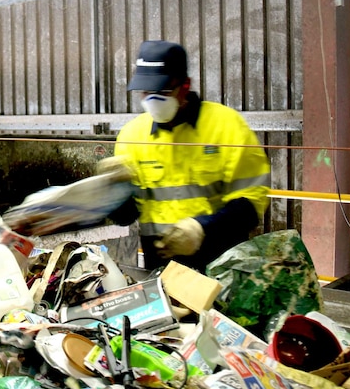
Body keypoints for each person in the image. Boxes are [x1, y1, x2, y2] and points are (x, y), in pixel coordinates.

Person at [110, 40, 271, 273]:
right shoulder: (131, 135)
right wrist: (112, 194)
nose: (153, 100)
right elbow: (127, 216)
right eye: (146, 92)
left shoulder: (226, 126)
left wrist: (201, 229)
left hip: (222, 265)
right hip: (162, 267)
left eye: (164, 91)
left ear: (185, 86)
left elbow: (251, 205)